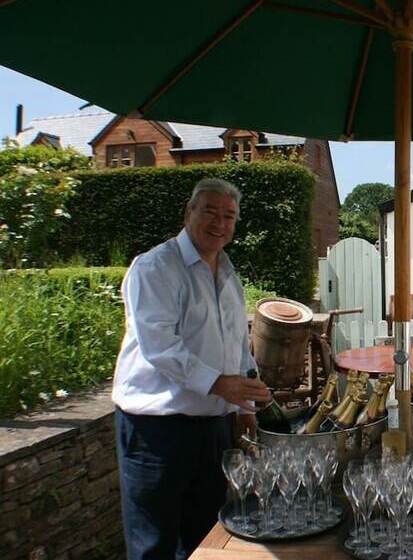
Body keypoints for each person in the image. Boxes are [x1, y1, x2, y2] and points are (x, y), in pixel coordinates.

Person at [112, 178, 271, 560]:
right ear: (189, 213)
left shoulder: (228, 273)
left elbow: (238, 348)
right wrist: (219, 384)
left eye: (229, 216)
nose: (220, 222)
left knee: (205, 539)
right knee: (154, 544)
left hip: (212, 428)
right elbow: (160, 346)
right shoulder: (155, 267)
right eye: (210, 211)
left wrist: (244, 407)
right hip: (157, 431)